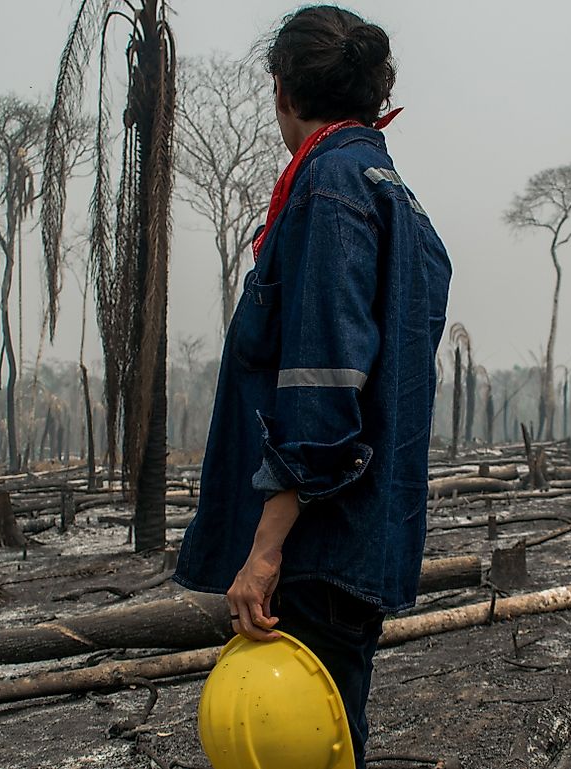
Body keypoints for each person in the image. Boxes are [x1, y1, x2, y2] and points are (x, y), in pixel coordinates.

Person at [173, 6, 451, 767]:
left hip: (314, 549)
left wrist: (264, 552)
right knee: (329, 739)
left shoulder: (328, 189)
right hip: (361, 542)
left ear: (282, 92)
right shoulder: (399, 199)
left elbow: (323, 390)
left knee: (298, 741)